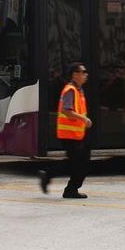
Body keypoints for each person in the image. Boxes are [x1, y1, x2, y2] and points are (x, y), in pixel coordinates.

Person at [40, 61, 92, 199]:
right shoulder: (70, 90)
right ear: (75, 74)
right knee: (75, 164)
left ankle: (70, 188)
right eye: (83, 72)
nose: (86, 75)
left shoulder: (79, 90)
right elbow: (66, 110)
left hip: (78, 134)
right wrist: (84, 119)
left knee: (82, 163)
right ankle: (54, 178)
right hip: (69, 134)